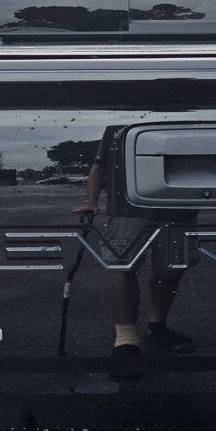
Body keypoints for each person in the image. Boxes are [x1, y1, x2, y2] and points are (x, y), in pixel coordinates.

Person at [73, 126, 195, 363]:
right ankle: (125, 339)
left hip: (180, 209)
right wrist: (91, 200)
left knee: (170, 271)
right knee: (123, 270)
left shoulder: (187, 118)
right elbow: (100, 163)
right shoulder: (119, 124)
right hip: (127, 209)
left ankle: (157, 327)